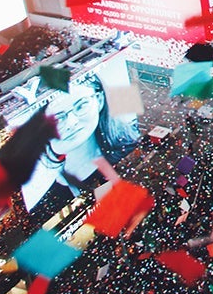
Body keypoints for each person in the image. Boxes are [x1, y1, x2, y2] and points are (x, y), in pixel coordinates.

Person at [20, 73, 140, 210]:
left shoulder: (134, 150)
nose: (71, 123)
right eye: (58, 118)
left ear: (99, 100)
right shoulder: (44, 203)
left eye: (81, 106)